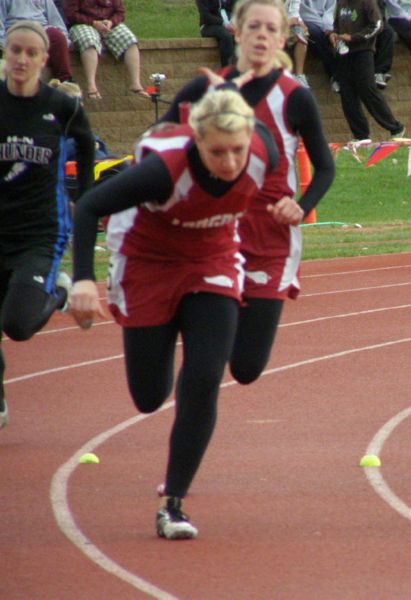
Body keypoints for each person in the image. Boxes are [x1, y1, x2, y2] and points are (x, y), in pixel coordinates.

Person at [68, 88, 278, 540]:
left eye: (237, 150)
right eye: (217, 151)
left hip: (212, 258)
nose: (229, 162)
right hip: (149, 262)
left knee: (204, 377)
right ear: (195, 142)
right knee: (148, 396)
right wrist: (83, 279)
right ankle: (168, 383)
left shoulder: (264, 150)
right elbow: (88, 208)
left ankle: (174, 504)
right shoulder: (163, 172)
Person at [162, 0, 335, 390]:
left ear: (283, 39)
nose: (261, 35)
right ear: (235, 31)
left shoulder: (295, 97)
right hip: (212, 233)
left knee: (245, 367)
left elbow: (325, 167)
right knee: (206, 359)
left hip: (269, 238)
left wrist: (301, 205)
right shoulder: (207, 88)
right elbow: (158, 142)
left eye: (271, 29)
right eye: (253, 27)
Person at [0, 21, 94, 430]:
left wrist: (87, 199)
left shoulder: (62, 106)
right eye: (14, 51)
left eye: (30, 53)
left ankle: (58, 291)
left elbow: (88, 146)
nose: (21, 59)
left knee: (17, 325)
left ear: (43, 60)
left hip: (40, 232)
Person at [329, 0, 405, 143]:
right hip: (344, 53)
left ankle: (395, 127)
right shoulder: (341, 3)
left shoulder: (367, 2)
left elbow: (377, 26)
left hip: (363, 52)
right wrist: (334, 34)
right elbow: (337, 24)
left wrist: (353, 37)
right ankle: (360, 135)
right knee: (347, 94)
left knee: (367, 90)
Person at [63, 0, 148, 100]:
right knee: (89, 41)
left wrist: (111, 22)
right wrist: (93, 23)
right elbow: (70, 15)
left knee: (130, 40)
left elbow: (120, 12)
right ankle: (91, 85)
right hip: (83, 23)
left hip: (109, 24)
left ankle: (135, 83)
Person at [0, 0, 73, 82]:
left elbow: (57, 21)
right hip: (17, 30)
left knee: (57, 36)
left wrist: (64, 41)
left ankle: (66, 82)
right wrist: (4, 46)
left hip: (42, 30)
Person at [298, 0, 339, 91]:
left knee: (336, 36)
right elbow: (303, 12)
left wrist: (329, 28)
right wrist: (325, 27)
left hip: (325, 22)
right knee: (318, 35)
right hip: (305, 21)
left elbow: (330, 11)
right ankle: (335, 75)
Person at [195, 0, 236, 67]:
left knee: (239, 35)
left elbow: (235, 9)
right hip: (208, 26)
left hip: (228, 24)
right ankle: (226, 69)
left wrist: (233, 22)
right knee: (226, 36)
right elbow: (206, 16)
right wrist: (224, 24)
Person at [285, 0, 310, 86]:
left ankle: (299, 76)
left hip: (287, 25)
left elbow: (294, 16)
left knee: (301, 34)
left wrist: (299, 22)